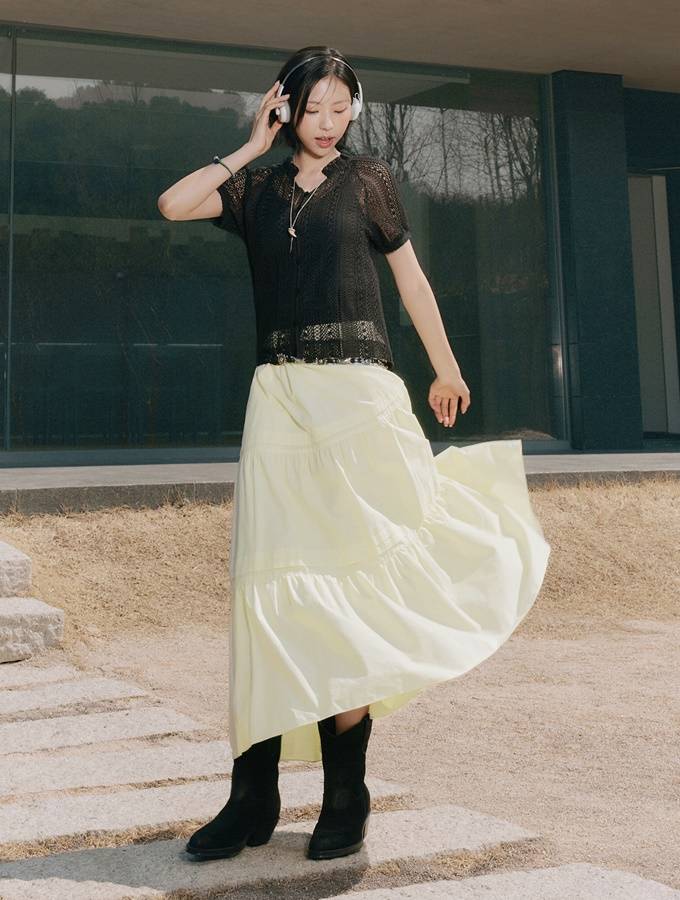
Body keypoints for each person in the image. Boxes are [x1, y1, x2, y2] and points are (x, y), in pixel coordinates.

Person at [157, 44, 551, 864]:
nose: (328, 123)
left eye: (342, 108)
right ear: (284, 109)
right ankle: (252, 795)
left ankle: (346, 793)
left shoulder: (368, 181)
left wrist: (446, 366)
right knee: (266, 592)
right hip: (280, 401)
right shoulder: (255, 188)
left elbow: (411, 281)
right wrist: (250, 145)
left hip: (361, 398)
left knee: (352, 588)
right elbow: (172, 203)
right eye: (313, 109)